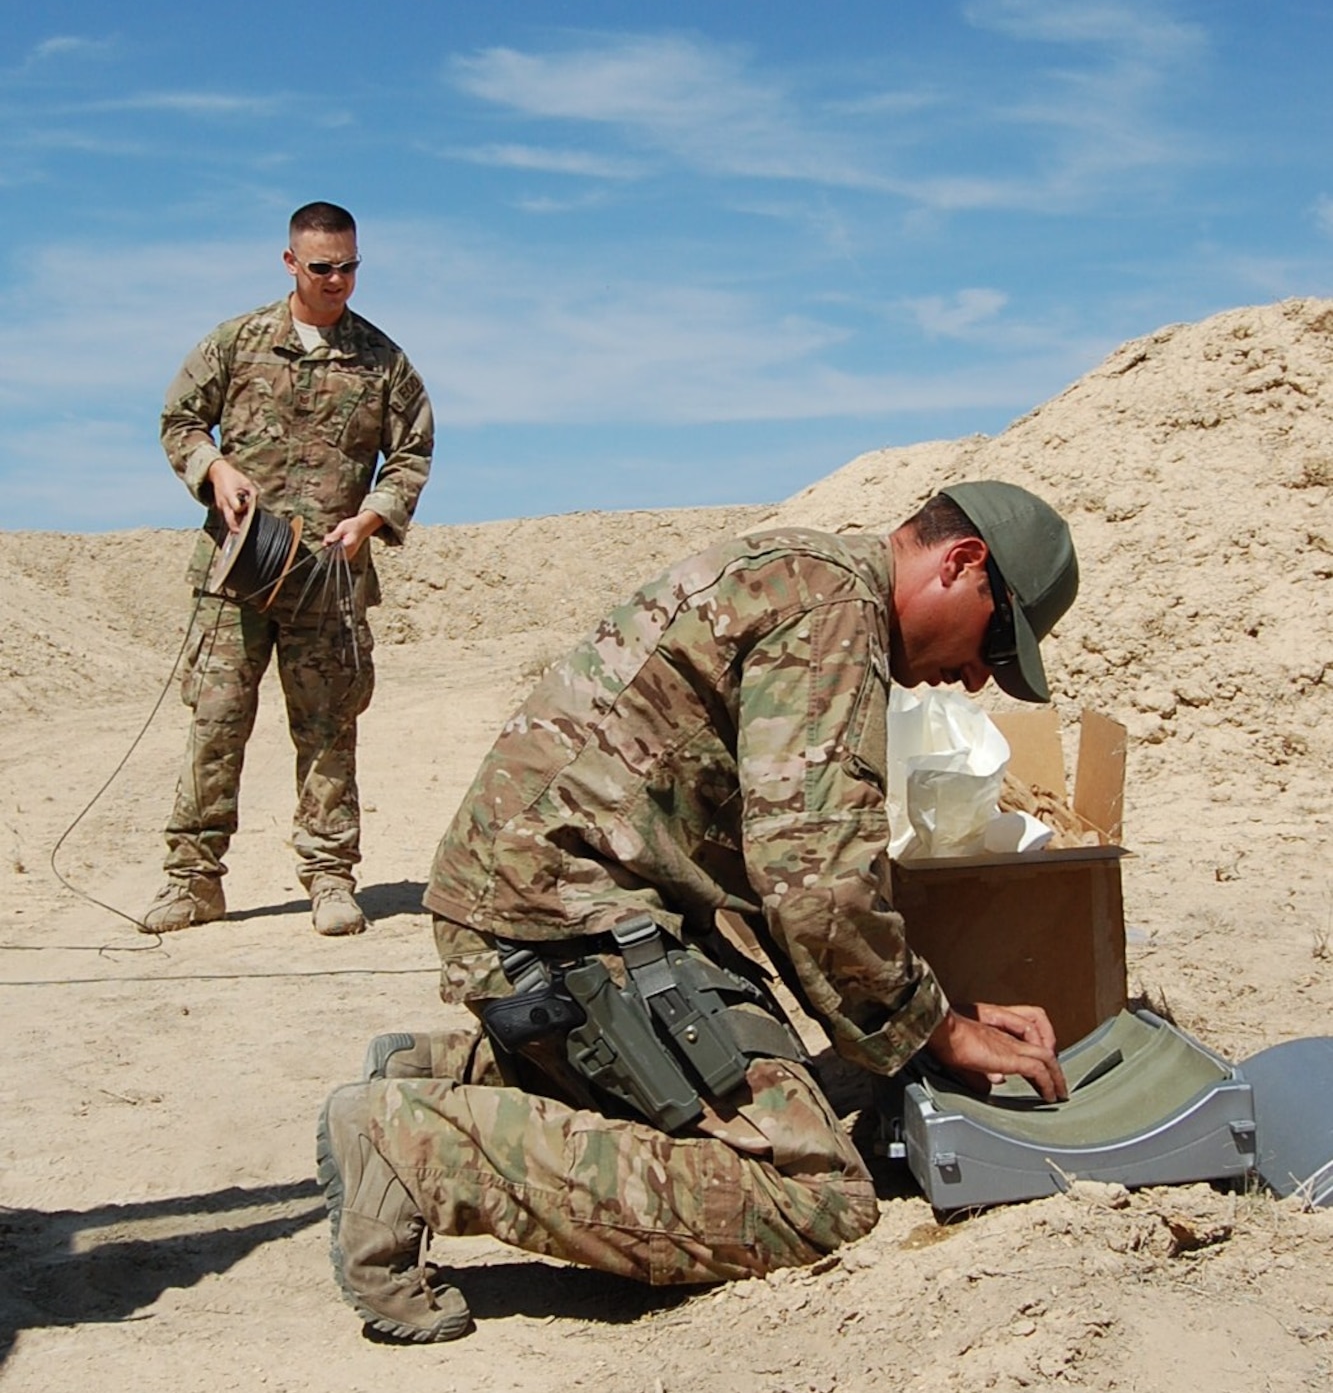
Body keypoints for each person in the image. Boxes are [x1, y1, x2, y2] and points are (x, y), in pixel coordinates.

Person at [318, 483, 1078, 1342]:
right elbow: (816, 884)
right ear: (962, 563)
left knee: (799, 1078)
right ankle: (419, 1146)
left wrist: (925, 1015)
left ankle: (471, 1072)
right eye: (994, 642)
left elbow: (783, 877)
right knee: (814, 1195)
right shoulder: (833, 614)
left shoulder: (808, 577)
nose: (978, 676)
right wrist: (939, 1034)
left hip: (557, 902)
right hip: (562, 919)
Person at [141, 202, 434, 939]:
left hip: (327, 583)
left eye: (350, 267)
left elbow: (412, 453)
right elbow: (179, 421)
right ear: (291, 263)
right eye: (322, 268)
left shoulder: (382, 362)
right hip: (237, 575)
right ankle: (193, 881)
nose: (338, 281)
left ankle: (330, 879)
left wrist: (373, 516)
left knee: (329, 732)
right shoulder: (237, 343)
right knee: (215, 728)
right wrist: (215, 468)